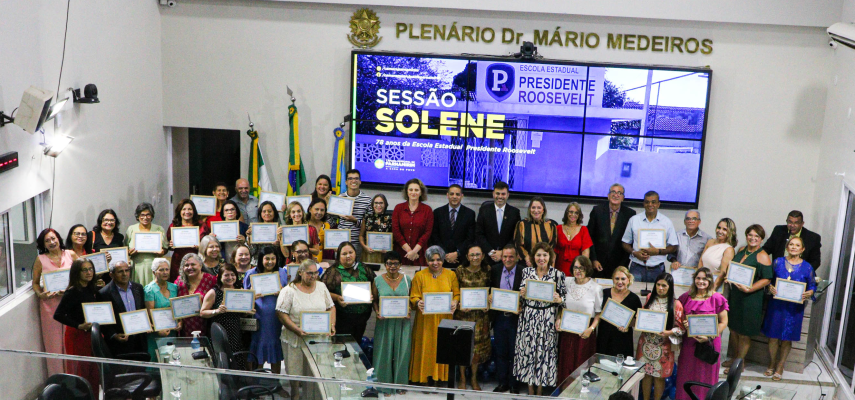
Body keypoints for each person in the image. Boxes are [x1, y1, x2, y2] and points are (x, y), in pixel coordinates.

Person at [276, 259, 335, 400]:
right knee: (295, 368)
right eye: (309, 273)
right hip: (295, 336)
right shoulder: (289, 290)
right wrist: (296, 329)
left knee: (316, 369)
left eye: (315, 273)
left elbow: (331, 307)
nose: (313, 276)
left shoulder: (321, 287)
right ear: (300, 273)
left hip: (318, 337)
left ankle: (314, 394)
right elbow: (281, 313)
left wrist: (332, 325)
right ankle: (295, 393)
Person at [513, 242, 567, 395]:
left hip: (547, 319)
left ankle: (540, 389)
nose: (541, 258)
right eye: (538, 255)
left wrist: (559, 300)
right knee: (528, 351)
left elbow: (565, 301)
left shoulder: (558, 275)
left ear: (550, 257)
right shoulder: (526, 272)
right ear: (533, 257)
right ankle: (530, 387)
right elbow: (520, 300)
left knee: (544, 353)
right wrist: (521, 295)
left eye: (544, 255)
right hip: (528, 318)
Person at [762, 237, 816, 381]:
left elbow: (812, 286)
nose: (793, 247)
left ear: (802, 249)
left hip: (794, 309)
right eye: (791, 244)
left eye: (797, 245)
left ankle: (780, 365)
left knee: (786, 338)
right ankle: (772, 362)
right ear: (787, 246)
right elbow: (768, 280)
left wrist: (809, 292)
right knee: (773, 337)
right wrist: (770, 287)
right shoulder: (777, 262)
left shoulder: (808, 267)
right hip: (776, 306)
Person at [721, 224, 772, 374]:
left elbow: (767, 279)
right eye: (750, 235)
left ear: (761, 239)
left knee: (744, 333)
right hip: (736, 296)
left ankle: (739, 363)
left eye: (757, 236)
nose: (753, 238)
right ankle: (736, 357)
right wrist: (728, 278)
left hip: (750, 298)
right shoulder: (742, 250)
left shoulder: (763, 256)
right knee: (734, 329)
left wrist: (750, 288)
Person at [675, 267, 729, 400]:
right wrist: (685, 324)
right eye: (698, 278)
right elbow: (679, 318)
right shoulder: (685, 297)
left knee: (705, 376)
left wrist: (709, 336)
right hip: (690, 344)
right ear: (694, 280)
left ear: (710, 280)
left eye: (705, 278)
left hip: (709, 343)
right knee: (686, 373)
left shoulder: (717, 298)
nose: (701, 281)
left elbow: (723, 322)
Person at [410, 246, 460, 385]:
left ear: (443, 260)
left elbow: (456, 293)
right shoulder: (419, 276)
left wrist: (455, 302)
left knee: (442, 347)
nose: (435, 263)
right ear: (426, 260)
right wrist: (418, 302)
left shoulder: (451, 275)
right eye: (432, 260)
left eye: (438, 259)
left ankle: (440, 378)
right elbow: (414, 296)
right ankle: (424, 378)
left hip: (444, 319)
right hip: (425, 321)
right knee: (425, 348)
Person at [33, 228, 78, 376]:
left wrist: (72, 288)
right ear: (43, 244)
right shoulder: (40, 259)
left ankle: (75, 378)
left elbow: (83, 273)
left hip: (71, 303)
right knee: (54, 345)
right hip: (50, 306)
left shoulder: (70, 254)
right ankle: (58, 380)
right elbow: (35, 283)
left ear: (59, 238)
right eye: (47, 241)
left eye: (53, 238)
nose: (52, 242)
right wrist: (41, 295)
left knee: (71, 341)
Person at [53, 258, 101, 391]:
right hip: (77, 336)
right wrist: (79, 325)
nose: (88, 272)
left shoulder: (91, 289)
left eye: (90, 269)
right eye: (84, 270)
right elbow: (58, 315)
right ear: (77, 272)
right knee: (80, 372)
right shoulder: (72, 292)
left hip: (91, 335)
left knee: (94, 373)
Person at [636, 273, 684, 400]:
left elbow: (681, 329)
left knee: (659, 377)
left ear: (670, 287)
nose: (661, 288)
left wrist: (668, 332)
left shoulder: (676, 303)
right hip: (646, 343)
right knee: (645, 375)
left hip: (664, 346)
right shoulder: (650, 297)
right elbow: (643, 315)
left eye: (664, 285)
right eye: (658, 284)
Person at [556, 255, 602, 383]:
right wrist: (558, 319)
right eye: (575, 267)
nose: (578, 271)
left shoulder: (596, 288)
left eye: (581, 268)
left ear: (587, 268)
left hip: (584, 334)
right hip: (567, 332)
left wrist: (591, 329)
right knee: (566, 366)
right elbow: (562, 306)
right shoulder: (567, 282)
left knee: (581, 367)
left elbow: (599, 313)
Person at [244, 246, 289, 374]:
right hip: (258, 318)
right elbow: (245, 297)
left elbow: (288, 294)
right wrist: (253, 296)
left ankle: (276, 384)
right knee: (258, 350)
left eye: (273, 258)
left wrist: (281, 293)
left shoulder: (281, 272)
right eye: (267, 258)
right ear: (260, 259)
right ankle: (259, 383)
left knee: (276, 351)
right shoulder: (251, 273)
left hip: (276, 319)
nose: (270, 261)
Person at [371, 251, 412, 394]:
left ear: (400, 265)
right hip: (384, 322)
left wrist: (409, 310)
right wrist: (377, 311)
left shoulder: (407, 279)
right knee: (384, 353)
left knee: (403, 352)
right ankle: (384, 386)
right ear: (385, 265)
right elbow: (375, 300)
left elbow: (411, 300)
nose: (392, 266)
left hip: (402, 322)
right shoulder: (378, 280)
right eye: (389, 263)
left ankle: (400, 385)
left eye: (395, 263)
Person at [320, 241, 376, 343]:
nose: (348, 256)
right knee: (343, 346)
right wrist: (337, 297)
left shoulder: (363, 268)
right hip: (342, 318)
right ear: (339, 256)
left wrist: (372, 294)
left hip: (362, 317)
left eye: (351, 252)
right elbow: (321, 292)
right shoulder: (333, 271)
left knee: (357, 344)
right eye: (344, 254)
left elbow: (375, 284)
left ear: (355, 253)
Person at [454, 245, 492, 390]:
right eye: (472, 255)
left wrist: (489, 300)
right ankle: (462, 378)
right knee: (463, 348)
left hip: (481, 317)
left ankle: (474, 378)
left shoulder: (488, 270)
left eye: (478, 254)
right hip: (463, 315)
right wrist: (458, 305)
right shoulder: (460, 271)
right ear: (467, 257)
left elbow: (493, 290)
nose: (475, 257)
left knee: (477, 351)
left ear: (482, 256)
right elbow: (454, 293)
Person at [201, 263, 252, 370]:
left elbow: (243, 312)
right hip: (219, 331)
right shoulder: (214, 292)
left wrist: (248, 311)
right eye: (226, 275)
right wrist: (217, 311)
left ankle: (237, 383)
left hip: (236, 332)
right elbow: (203, 312)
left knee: (236, 359)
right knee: (222, 360)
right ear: (220, 277)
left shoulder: (240, 290)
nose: (230, 278)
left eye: (232, 275)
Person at [621, 191, 679, 283]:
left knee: (656, 296)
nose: (650, 204)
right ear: (643, 204)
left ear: (658, 204)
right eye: (647, 202)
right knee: (633, 295)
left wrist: (658, 251)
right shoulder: (634, 220)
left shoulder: (666, 222)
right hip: (636, 267)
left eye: (653, 202)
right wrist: (634, 253)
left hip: (658, 268)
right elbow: (625, 242)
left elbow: (673, 246)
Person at [490, 244, 524, 394]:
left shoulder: (524, 271)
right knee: (501, 352)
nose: (507, 259)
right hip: (499, 318)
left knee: (515, 352)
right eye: (505, 256)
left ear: (517, 257)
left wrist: (521, 306)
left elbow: (528, 294)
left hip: (516, 318)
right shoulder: (496, 270)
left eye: (511, 256)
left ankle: (514, 384)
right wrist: (489, 296)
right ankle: (502, 382)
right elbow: (490, 288)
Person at [587, 183, 636, 279]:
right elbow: (589, 237)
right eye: (613, 192)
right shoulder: (597, 211)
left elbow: (631, 242)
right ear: (608, 195)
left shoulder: (630, 214)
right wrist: (593, 259)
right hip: (598, 264)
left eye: (619, 193)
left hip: (619, 265)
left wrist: (623, 265)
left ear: (623, 198)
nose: (616, 195)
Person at [99, 260, 147, 355]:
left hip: (139, 339)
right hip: (120, 342)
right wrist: (114, 335)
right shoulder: (104, 293)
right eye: (120, 271)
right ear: (111, 275)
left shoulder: (138, 288)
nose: (124, 274)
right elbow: (102, 321)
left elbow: (142, 309)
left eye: (127, 270)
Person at [595, 266, 642, 357]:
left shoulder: (634, 298)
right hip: (604, 336)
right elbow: (597, 312)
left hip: (623, 338)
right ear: (612, 279)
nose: (620, 282)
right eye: (617, 278)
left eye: (623, 279)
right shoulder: (604, 293)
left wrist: (628, 325)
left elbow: (638, 320)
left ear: (628, 279)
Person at [430, 184, 476, 269]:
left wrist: (457, 253)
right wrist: (445, 254)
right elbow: (434, 236)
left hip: (461, 260)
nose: (454, 197)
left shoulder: (470, 214)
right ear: (447, 195)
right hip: (441, 259)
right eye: (451, 194)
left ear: (462, 196)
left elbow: (470, 238)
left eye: (457, 194)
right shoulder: (437, 212)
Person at [476, 181, 521, 265]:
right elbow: (479, 234)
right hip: (487, 257)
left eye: (503, 194)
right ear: (493, 194)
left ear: (508, 195)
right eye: (498, 193)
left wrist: (503, 252)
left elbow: (516, 236)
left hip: (507, 258)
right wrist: (491, 252)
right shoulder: (484, 210)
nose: (500, 197)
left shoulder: (514, 213)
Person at [392, 178, 434, 266]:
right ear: (407, 192)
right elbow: (396, 231)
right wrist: (409, 251)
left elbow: (427, 233)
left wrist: (414, 252)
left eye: (416, 190)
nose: (413, 192)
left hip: (420, 254)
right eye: (410, 190)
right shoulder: (398, 208)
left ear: (421, 192)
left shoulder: (427, 210)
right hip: (401, 252)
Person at [144, 258, 180, 361]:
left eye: (167, 269)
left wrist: (180, 322)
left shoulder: (174, 287)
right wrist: (158, 329)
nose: (165, 272)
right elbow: (149, 313)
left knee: (172, 360)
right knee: (156, 361)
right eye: (161, 270)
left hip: (172, 331)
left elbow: (177, 309)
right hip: (157, 332)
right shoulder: (149, 289)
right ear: (154, 272)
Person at [125, 202, 168, 286]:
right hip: (137, 266)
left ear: (152, 216)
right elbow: (125, 248)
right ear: (138, 216)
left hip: (154, 266)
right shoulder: (131, 229)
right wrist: (129, 253)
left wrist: (162, 252)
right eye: (142, 215)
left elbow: (165, 248)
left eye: (148, 215)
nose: (145, 217)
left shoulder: (159, 229)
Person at [175, 253, 217, 337]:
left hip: (207, 325)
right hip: (185, 327)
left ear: (201, 265)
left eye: (193, 264)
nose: (190, 267)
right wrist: (179, 321)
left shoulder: (211, 279)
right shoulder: (179, 281)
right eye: (186, 265)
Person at [167, 199, 209, 282]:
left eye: (190, 209)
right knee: (178, 285)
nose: (187, 212)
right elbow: (168, 244)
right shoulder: (174, 226)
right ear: (179, 211)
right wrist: (170, 245)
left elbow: (207, 244)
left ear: (194, 211)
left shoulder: (201, 225)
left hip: (196, 259)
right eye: (184, 209)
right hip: (178, 261)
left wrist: (201, 247)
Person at [337, 169, 373, 257]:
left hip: (357, 242)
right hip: (340, 241)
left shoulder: (367, 200)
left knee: (355, 269)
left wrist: (355, 221)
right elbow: (333, 220)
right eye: (350, 179)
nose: (353, 181)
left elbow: (370, 224)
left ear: (360, 181)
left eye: (356, 178)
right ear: (346, 182)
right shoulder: (339, 198)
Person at [514, 197, 558, 267]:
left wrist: (542, 259)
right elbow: (518, 244)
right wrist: (528, 259)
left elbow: (552, 246)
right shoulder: (522, 224)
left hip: (545, 264)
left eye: (539, 208)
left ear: (543, 210)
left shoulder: (551, 225)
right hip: (526, 264)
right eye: (533, 207)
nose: (536, 210)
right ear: (530, 209)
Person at [555, 202, 593, 275]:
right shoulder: (558, 228)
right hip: (559, 269)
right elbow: (553, 252)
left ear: (579, 215)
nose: (573, 215)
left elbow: (585, 254)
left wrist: (582, 272)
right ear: (566, 213)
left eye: (576, 213)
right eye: (571, 212)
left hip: (577, 271)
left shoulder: (583, 230)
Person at [700, 218, 737, 291]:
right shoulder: (710, 242)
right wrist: (698, 279)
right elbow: (701, 261)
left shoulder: (729, 249)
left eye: (724, 229)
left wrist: (712, 289)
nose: (720, 231)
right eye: (719, 228)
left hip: (716, 288)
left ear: (730, 232)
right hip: (702, 284)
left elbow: (723, 273)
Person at [247, 200, 286, 266]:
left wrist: (279, 245)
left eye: (270, 211)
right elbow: (252, 252)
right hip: (258, 264)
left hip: (275, 264)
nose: (267, 213)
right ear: (260, 214)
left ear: (274, 213)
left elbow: (286, 253)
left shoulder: (280, 229)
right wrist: (249, 238)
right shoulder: (254, 229)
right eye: (264, 211)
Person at [360, 194, 393, 265]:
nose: (378, 205)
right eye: (376, 203)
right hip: (368, 254)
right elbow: (361, 236)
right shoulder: (367, 217)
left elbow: (394, 238)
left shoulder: (390, 219)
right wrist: (364, 246)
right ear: (372, 204)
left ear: (385, 204)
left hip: (384, 255)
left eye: (381, 203)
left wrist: (389, 248)